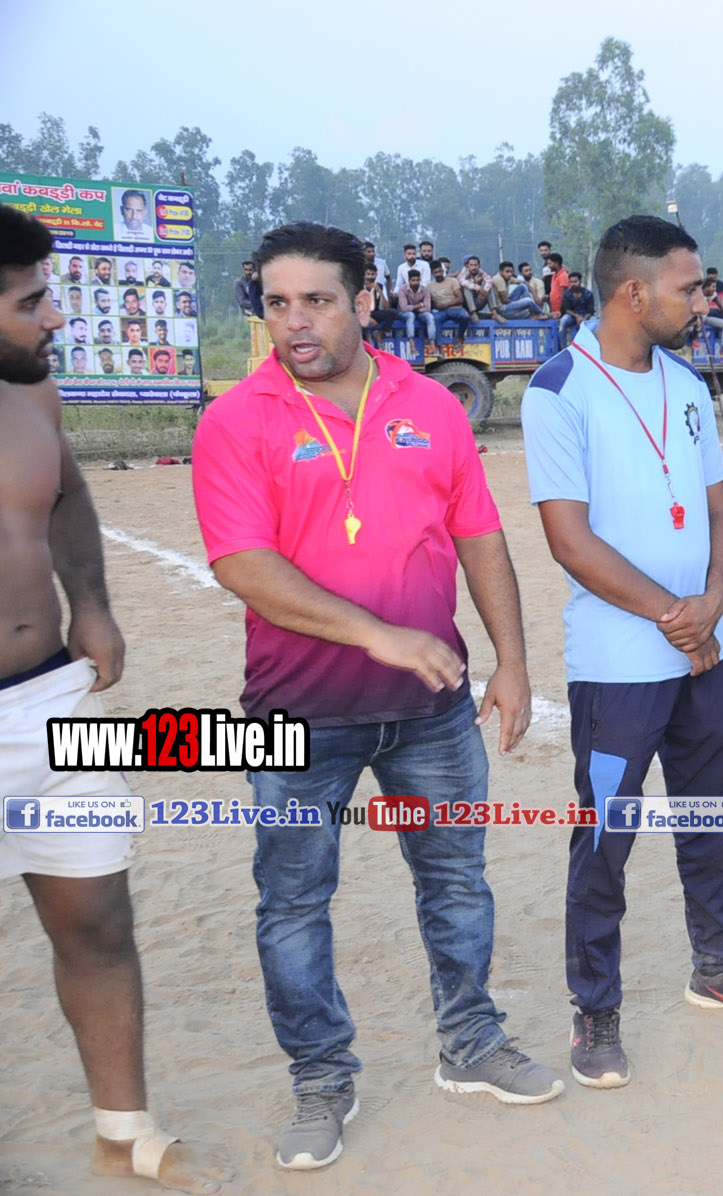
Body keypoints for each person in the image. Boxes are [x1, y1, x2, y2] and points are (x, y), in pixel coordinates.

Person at [190, 221, 562, 1171]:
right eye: (278, 303)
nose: (294, 322)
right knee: (292, 902)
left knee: (456, 882)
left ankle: (470, 1044)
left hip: (433, 714)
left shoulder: (430, 405)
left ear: (364, 301)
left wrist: (512, 662)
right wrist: (378, 633)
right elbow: (242, 564)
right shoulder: (235, 420)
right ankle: (322, 1079)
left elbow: (479, 537)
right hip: (295, 716)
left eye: (316, 301)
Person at [522, 214, 723, 1090]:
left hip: (707, 655)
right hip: (618, 668)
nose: (702, 300)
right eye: (689, 288)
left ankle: (719, 965)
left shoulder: (685, 383)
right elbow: (569, 540)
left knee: (710, 818)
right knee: (606, 836)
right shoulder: (558, 390)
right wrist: (673, 615)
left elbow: (719, 509)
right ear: (634, 292)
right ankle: (594, 1006)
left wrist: (710, 607)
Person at [0, 205, 232, 1196]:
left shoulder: (33, 393)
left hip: (45, 697)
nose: (55, 318)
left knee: (96, 914)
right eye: (30, 302)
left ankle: (121, 1132)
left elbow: (66, 498)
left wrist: (90, 602)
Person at [428, 260, 473, 343]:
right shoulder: (429, 286)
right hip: (441, 312)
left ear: (443, 271)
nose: (438, 274)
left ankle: (460, 336)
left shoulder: (452, 281)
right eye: (436, 272)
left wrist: (445, 305)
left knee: (466, 316)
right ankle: (439, 345)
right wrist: (436, 306)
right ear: (432, 274)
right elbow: (432, 303)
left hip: (456, 309)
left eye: (440, 271)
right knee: (434, 319)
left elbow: (460, 299)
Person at [395, 267, 435, 345]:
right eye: (413, 280)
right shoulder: (403, 289)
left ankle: (432, 343)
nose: (415, 282)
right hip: (404, 313)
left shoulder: (425, 290)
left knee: (430, 317)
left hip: (420, 313)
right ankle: (411, 343)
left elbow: (428, 307)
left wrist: (415, 308)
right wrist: (420, 305)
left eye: (417, 280)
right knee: (410, 315)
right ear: (409, 281)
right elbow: (404, 308)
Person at [556, 272, 596, 347]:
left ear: (580, 281)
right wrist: (577, 316)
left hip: (585, 316)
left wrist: (584, 319)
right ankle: (563, 347)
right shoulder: (567, 294)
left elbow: (590, 310)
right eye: (571, 282)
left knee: (595, 321)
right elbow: (566, 309)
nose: (573, 284)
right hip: (572, 316)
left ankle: (592, 347)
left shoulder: (588, 294)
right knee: (563, 321)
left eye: (575, 281)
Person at [698, 281, 723, 362]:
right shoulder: (698, 293)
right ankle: (694, 340)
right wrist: (707, 304)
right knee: (700, 320)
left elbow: (721, 308)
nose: (714, 289)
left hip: (706, 317)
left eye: (715, 287)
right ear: (706, 287)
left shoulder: (713, 294)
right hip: (697, 317)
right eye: (713, 287)